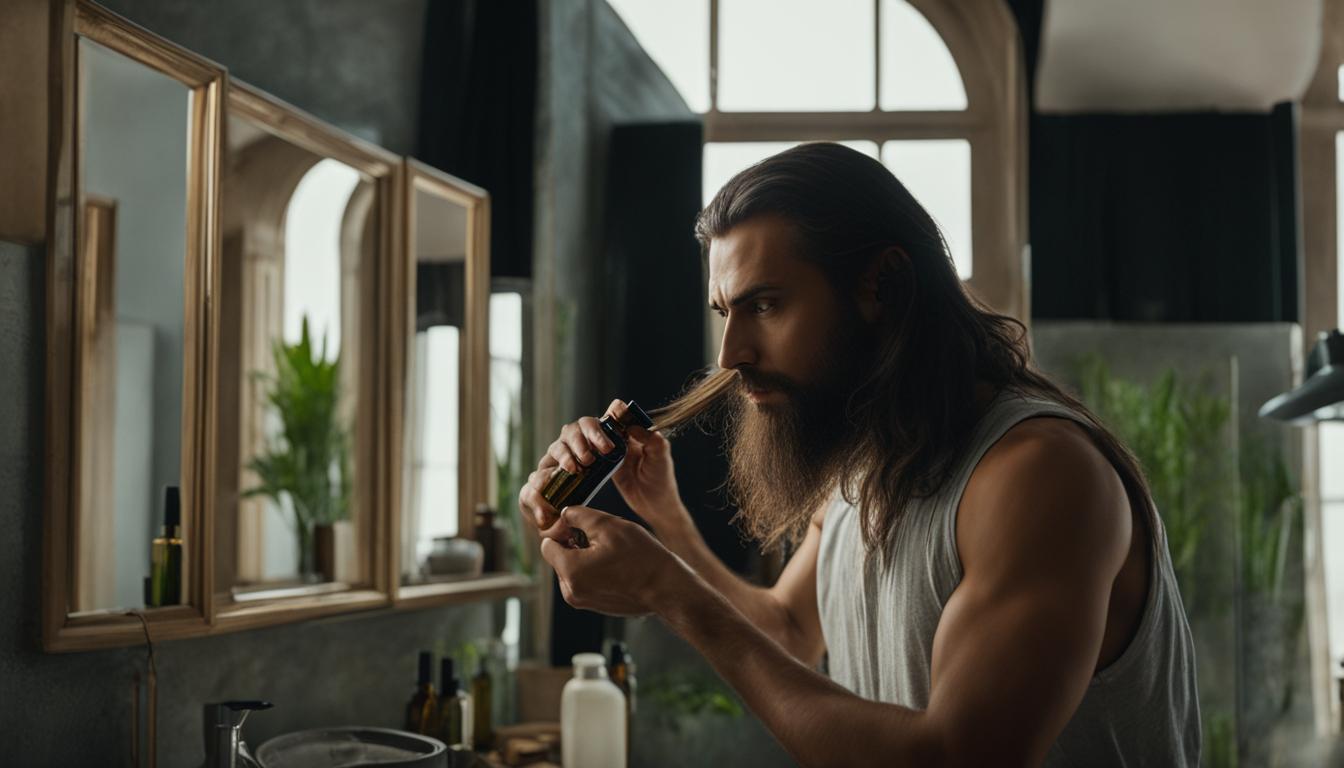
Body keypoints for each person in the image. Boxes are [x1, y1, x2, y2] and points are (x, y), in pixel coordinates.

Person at [518, 142, 1199, 766]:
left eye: (767, 305)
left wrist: (668, 593)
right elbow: (786, 634)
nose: (731, 357)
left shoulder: (1037, 474)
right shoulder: (863, 466)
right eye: (727, 312)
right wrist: (664, 521)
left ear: (883, 284)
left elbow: (954, 757)